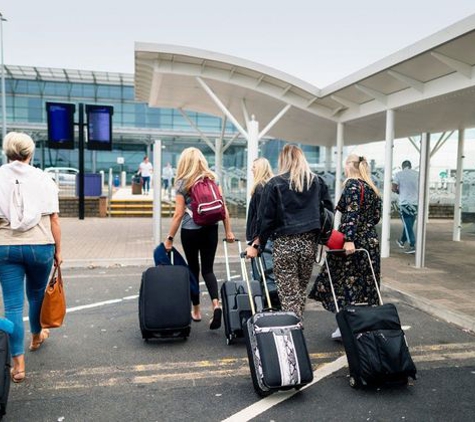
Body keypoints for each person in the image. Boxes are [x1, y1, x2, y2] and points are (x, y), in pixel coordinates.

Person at [0, 132, 62, 383]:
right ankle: (36, 336)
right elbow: (54, 219)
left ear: (6, 152)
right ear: (30, 153)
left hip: (6, 245)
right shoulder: (44, 178)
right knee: (36, 295)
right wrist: (59, 252)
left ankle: (19, 365)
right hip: (40, 244)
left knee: (13, 305)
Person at [246, 144, 333, 320]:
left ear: (282, 160)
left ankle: (293, 336)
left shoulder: (275, 184)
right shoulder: (316, 181)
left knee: (288, 295)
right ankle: (296, 329)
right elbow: (328, 211)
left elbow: (266, 219)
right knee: (299, 292)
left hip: (284, 245)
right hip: (309, 245)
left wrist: (257, 244)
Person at [309, 154, 382, 340]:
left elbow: (351, 213)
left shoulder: (352, 185)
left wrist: (348, 239)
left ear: (349, 165)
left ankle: (346, 325)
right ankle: (363, 325)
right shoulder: (370, 187)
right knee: (366, 284)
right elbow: (375, 216)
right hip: (370, 241)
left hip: (353, 243)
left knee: (341, 281)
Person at [164, 147, 235, 329]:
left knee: (193, 270)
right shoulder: (212, 178)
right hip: (211, 228)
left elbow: (178, 214)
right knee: (208, 270)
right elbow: (223, 207)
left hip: (190, 230)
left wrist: (169, 238)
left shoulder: (182, 183)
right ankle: (216, 305)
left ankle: (196, 310)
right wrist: (228, 231)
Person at [246, 158, 274, 247]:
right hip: (268, 235)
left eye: (254, 167)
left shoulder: (260, 188)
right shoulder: (271, 185)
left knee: (261, 260)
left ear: (260, 169)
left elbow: (260, 214)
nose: (251, 169)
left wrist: (255, 237)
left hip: (259, 237)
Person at [392, 160, 419, 254]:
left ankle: (412, 245)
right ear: (410, 166)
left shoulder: (398, 174)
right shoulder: (417, 174)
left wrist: (399, 191)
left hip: (404, 203)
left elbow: (393, 188)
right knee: (409, 224)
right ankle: (402, 241)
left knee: (407, 225)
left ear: (403, 166)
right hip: (415, 203)